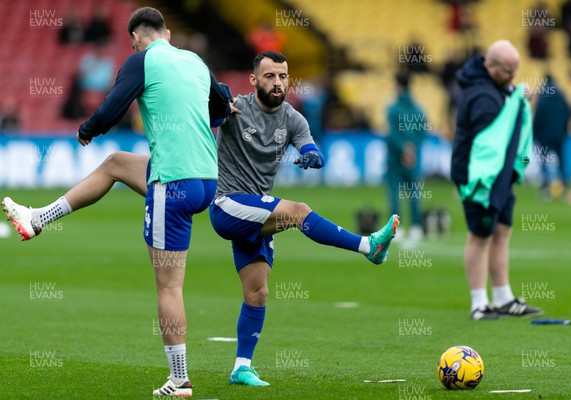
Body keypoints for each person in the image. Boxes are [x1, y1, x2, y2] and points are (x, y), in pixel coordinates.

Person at [2, 7, 231, 397]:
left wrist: (88, 129)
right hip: (206, 180)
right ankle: (40, 216)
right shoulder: (193, 59)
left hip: (172, 184)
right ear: (169, 33)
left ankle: (179, 379)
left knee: (169, 288)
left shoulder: (140, 60)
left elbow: (113, 105)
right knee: (116, 165)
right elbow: (222, 106)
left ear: (137, 38)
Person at [209, 51, 399, 386]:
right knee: (299, 212)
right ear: (254, 80)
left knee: (258, 293)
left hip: (259, 216)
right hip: (227, 206)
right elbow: (204, 106)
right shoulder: (235, 107)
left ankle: (241, 366)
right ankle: (368, 245)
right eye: (269, 76)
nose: (278, 83)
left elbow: (312, 149)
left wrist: (311, 157)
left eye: (283, 76)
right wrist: (217, 95)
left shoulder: (293, 118)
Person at [451, 40, 543, 320]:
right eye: (507, 71)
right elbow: (488, 144)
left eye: (516, 71)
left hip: (500, 177)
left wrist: (515, 98)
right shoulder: (482, 96)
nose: (512, 78)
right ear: (490, 66)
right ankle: (479, 302)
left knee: (501, 231)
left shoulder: (497, 89)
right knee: (480, 235)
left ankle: (503, 296)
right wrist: (514, 101)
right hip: (480, 178)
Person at [386, 72, 426, 240]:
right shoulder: (418, 109)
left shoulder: (393, 109)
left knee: (394, 192)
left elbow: (393, 135)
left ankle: (396, 228)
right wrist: (411, 149)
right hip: (413, 157)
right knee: (414, 192)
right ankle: (416, 226)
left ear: (398, 85)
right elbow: (423, 133)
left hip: (395, 158)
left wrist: (403, 149)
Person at [532, 74, 570, 200]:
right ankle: (563, 186)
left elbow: (538, 116)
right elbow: (567, 114)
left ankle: (545, 186)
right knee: (561, 161)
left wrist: (536, 133)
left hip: (545, 136)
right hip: (559, 135)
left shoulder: (543, 96)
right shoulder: (561, 95)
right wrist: (564, 131)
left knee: (544, 161)